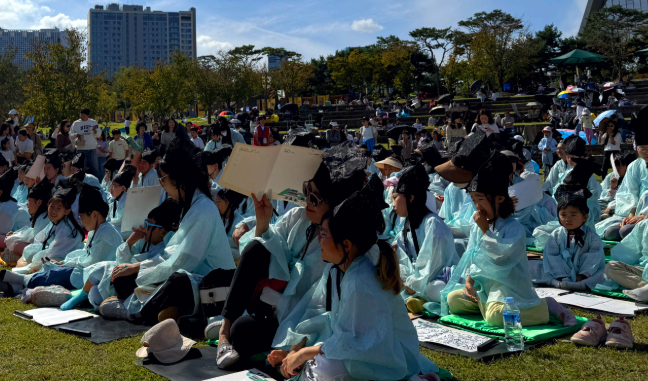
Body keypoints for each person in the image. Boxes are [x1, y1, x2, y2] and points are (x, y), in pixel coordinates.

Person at [215, 142, 368, 369]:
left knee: (244, 332)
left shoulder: (342, 246)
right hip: (281, 308)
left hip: (303, 318)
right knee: (256, 248)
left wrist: (296, 346)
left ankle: (240, 326)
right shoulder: (298, 218)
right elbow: (270, 252)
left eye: (315, 199)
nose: (307, 202)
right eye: (306, 193)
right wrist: (263, 222)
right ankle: (223, 331)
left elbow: (324, 306)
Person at [267, 186, 440, 381]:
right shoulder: (340, 269)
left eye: (323, 234)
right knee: (321, 358)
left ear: (347, 245)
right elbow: (326, 317)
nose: (319, 239)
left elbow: (361, 344)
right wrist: (298, 348)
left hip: (387, 359)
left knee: (325, 368)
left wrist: (305, 354)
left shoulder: (361, 280)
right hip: (361, 351)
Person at [98, 147, 235, 325]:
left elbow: (184, 261)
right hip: (185, 270)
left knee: (177, 281)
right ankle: (167, 309)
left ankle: (138, 312)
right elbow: (173, 252)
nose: (161, 185)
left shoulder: (203, 209)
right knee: (124, 277)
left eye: (163, 179)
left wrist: (140, 268)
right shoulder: (191, 205)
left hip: (208, 280)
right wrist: (137, 268)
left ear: (177, 178)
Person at [441, 152, 576, 328]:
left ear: (500, 199)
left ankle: (545, 307)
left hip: (508, 287)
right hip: (485, 285)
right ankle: (488, 307)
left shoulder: (514, 228)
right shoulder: (478, 225)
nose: (477, 206)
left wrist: (484, 230)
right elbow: (471, 254)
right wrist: (469, 281)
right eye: (474, 200)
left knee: (495, 317)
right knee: (453, 299)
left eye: (480, 199)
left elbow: (502, 258)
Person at [392, 166, 458, 315]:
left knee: (437, 289)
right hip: (416, 281)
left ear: (411, 198)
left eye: (396, 197)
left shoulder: (432, 223)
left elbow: (432, 263)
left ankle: (420, 299)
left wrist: (412, 283)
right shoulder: (405, 223)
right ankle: (420, 299)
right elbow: (401, 259)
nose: (393, 203)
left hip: (438, 278)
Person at [537, 182, 605, 292]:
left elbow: (593, 257)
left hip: (584, 275)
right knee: (536, 267)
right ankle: (560, 281)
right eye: (563, 215)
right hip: (560, 274)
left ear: (585, 217)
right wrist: (562, 275)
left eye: (573, 215)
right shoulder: (556, 235)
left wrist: (582, 275)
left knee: (604, 272)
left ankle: (580, 284)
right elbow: (552, 255)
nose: (568, 219)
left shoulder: (592, 236)